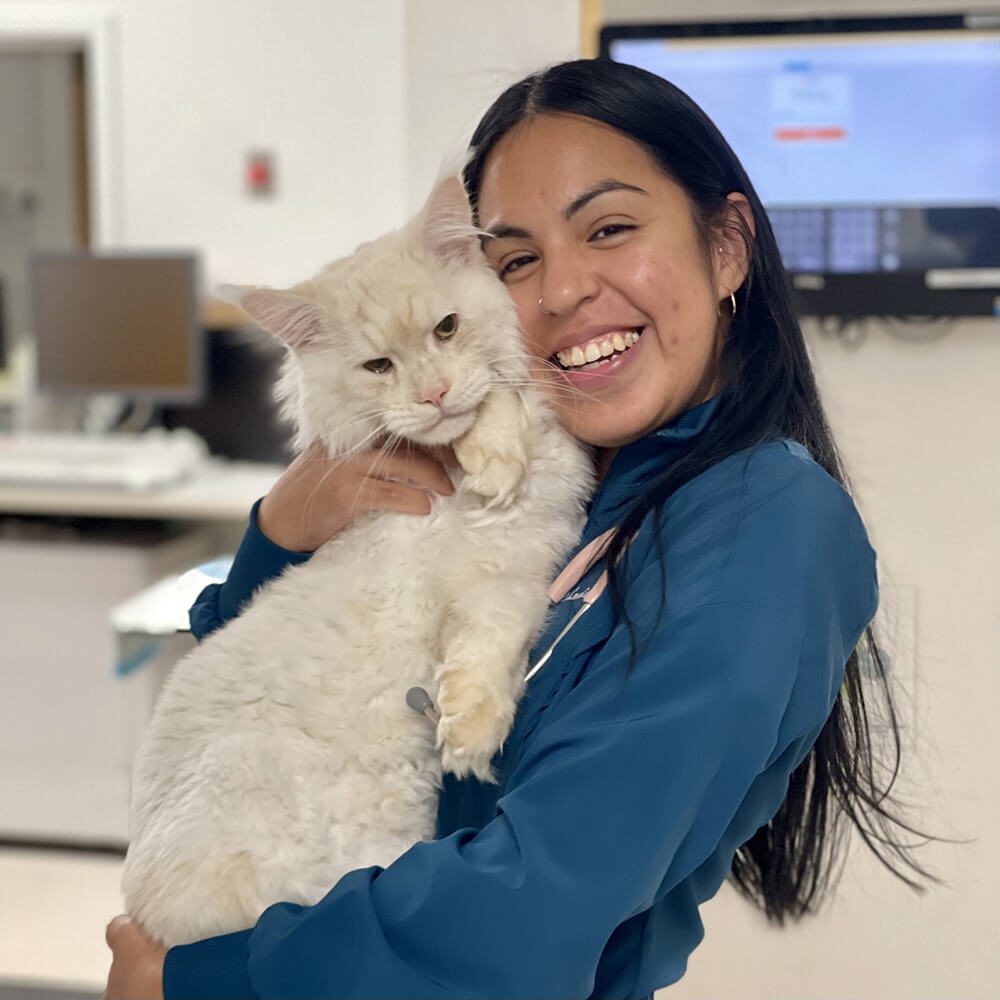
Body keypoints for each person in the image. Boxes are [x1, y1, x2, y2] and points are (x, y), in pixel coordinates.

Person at [104, 59, 930, 1000]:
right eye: (518, 260)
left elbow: (533, 910)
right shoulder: (582, 476)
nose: (562, 292)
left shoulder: (768, 529)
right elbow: (291, 698)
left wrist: (200, 981)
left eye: (610, 228)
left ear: (729, 245)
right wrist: (282, 531)